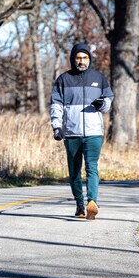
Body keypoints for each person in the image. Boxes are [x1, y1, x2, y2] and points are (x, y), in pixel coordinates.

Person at [50, 43, 114, 220]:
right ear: (73, 59)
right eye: (78, 58)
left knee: (92, 167)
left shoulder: (99, 78)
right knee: (75, 171)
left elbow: (109, 99)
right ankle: (80, 204)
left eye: (85, 58)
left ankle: (92, 202)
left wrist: (103, 105)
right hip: (71, 132)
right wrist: (57, 126)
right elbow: (56, 104)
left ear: (89, 59)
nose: (82, 61)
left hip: (94, 132)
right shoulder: (63, 79)